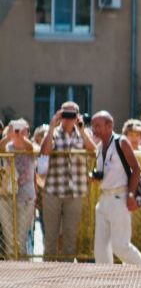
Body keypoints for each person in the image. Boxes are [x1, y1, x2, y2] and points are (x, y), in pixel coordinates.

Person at [87, 111, 141, 266]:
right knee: (100, 249)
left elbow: (136, 169)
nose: (94, 129)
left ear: (109, 126)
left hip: (119, 198)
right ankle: (107, 283)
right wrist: (95, 178)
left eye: (97, 125)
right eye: (93, 125)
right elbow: (104, 173)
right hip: (103, 199)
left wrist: (131, 195)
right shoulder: (100, 146)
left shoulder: (121, 142)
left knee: (120, 246)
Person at [40, 101, 95, 260]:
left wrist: (81, 129)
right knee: (51, 236)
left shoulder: (84, 133)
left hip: (75, 191)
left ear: (77, 116)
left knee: (70, 236)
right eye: (65, 114)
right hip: (53, 190)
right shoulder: (53, 133)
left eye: (72, 115)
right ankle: (47, 276)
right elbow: (45, 151)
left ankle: (67, 276)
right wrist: (51, 126)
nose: (68, 118)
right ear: (60, 115)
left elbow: (94, 151)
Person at [0, 120, 37, 257]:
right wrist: (9, 136)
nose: (18, 132)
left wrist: (22, 138)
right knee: (9, 241)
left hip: (25, 198)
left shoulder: (32, 145)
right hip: (6, 197)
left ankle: (23, 272)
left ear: (28, 131)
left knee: (21, 240)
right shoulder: (7, 146)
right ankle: (11, 274)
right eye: (15, 129)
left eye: (23, 129)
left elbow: (31, 149)